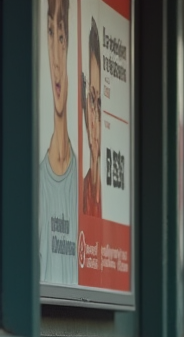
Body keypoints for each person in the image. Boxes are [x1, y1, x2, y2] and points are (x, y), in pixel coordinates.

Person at [39, 0, 78, 285]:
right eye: (50, 34)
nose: (55, 57)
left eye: (61, 36)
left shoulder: (83, 183)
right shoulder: (37, 185)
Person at [81, 17, 102, 217]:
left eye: (99, 103)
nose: (95, 117)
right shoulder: (81, 192)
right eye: (91, 101)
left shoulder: (101, 194)